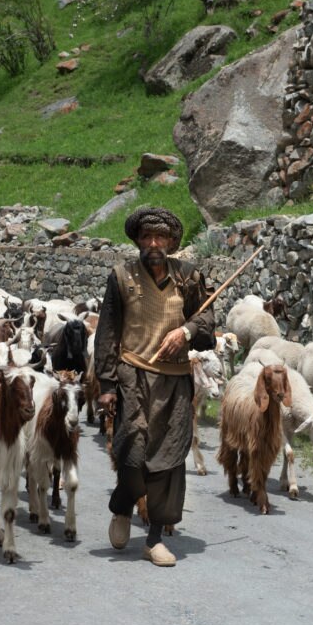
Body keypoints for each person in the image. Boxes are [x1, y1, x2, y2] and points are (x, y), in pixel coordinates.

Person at [93, 207, 215, 567]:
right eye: (146, 237)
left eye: (161, 237)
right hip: (133, 375)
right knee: (132, 452)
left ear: (172, 242)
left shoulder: (189, 277)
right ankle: (122, 506)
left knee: (168, 459)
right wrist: (106, 383)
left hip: (174, 380)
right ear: (138, 241)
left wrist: (187, 332)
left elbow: (207, 318)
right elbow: (107, 332)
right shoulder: (121, 277)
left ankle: (154, 538)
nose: (154, 243)